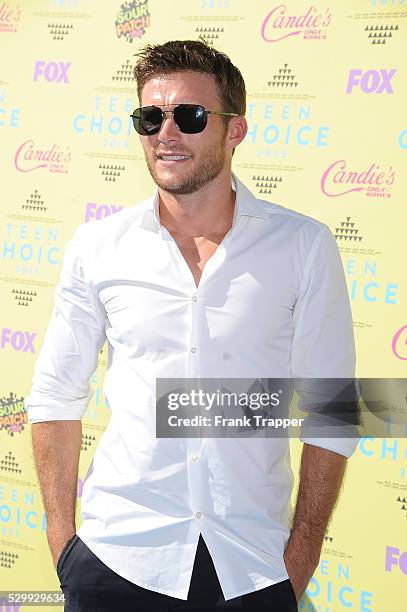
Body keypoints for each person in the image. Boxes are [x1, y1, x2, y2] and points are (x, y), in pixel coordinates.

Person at [25, 39, 359, 612]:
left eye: (190, 115)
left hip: (252, 567)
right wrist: (63, 542)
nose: (166, 133)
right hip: (114, 560)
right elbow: (55, 392)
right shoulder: (98, 247)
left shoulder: (304, 246)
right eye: (150, 117)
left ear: (236, 130)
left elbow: (333, 407)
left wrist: (300, 557)